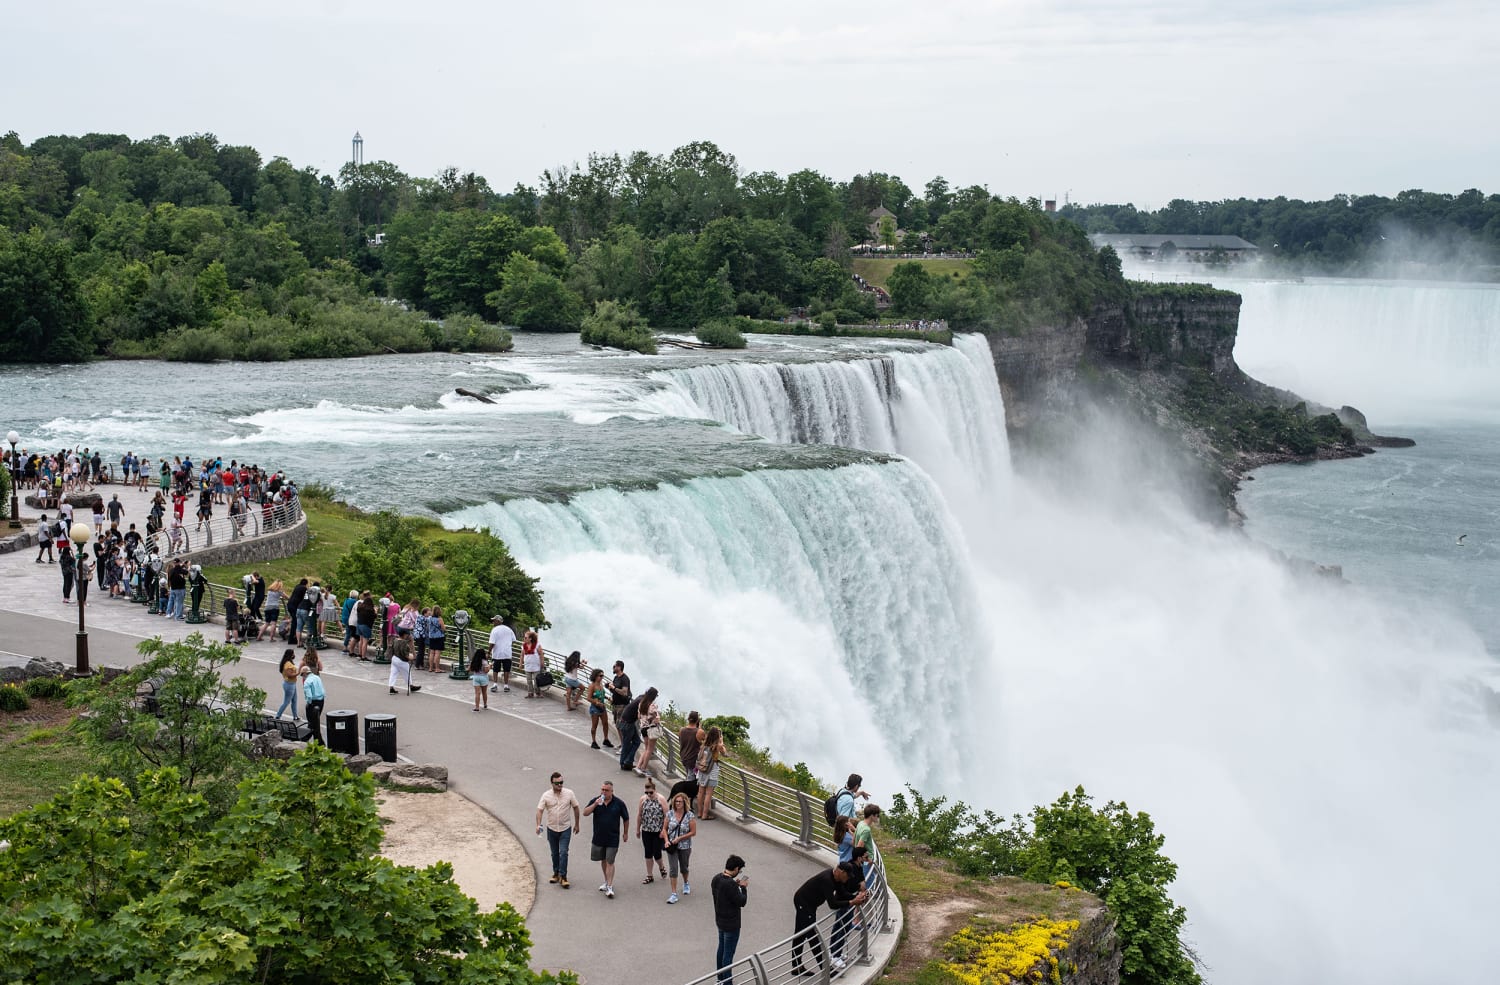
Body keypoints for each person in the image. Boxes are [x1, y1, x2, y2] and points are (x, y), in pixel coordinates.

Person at [791, 862, 867, 976]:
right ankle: (826, 969)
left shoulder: (836, 878)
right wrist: (852, 902)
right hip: (804, 903)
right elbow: (832, 904)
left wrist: (857, 897)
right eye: (847, 875)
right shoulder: (827, 880)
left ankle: (797, 967)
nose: (847, 879)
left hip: (810, 904)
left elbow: (842, 893)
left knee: (801, 934)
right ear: (841, 872)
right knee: (813, 937)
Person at [582, 779, 629, 898]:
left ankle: (610, 886)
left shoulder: (619, 803)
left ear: (612, 791)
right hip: (598, 837)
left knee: (610, 861)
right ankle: (606, 881)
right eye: (602, 789)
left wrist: (625, 833)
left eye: (606, 790)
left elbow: (626, 818)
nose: (604, 792)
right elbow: (585, 813)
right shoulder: (596, 800)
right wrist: (595, 804)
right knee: (603, 860)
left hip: (612, 838)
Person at [535, 771, 581, 889]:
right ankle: (556, 873)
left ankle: (563, 876)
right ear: (552, 783)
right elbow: (540, 810)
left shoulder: (569, 793)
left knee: (564, 852)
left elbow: (576, 807)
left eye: (561, 782)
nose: (560, 785)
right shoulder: (546, 795)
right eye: (557, 783)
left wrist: (577, 824)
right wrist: (538, 824)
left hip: (565, 828)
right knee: (554, 853)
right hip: (552, 828)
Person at [711, 855, 749, 982]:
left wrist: (736, 885)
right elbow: (741, 901)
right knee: (728, 955)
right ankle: (727, 982)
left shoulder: (716, 878)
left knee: (721, 950)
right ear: (736, 868)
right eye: (740, 870)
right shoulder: (730, 885)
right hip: (731, 925)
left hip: (720, 921)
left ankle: (720, 979)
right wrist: (743, 888)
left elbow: (725, 895)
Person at [664, 791, 697, 904]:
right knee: (673, 869)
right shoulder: (670, 814)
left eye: (680, 802)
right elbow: (664, 829)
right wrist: (666, 840)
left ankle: (686, 882)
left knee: (684, 867)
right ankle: (673, 894)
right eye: (676, 801)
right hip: (672, 846)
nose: (677, 803)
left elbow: (693, 832)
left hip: (685, 846)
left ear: (684, 802)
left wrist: (680, 838)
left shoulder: (689, 815)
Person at [617, 686, 658, 773]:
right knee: (627, 744)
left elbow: (640, 716)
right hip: (628, 723)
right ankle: (624, 763)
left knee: (636, 742)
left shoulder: (641, 699)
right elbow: (652, 716)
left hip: (627, 721)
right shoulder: (646, 703)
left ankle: (628, 762)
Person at [636, 778, 669, 885]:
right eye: (646, 792)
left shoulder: (661, 799)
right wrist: (638, 829)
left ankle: (661, 867)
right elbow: (640, 815)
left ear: (655, 790)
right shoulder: (643, 799)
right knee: (648, 852)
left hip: (658, 831)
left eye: (651, 792)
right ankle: (649, 875)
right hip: (646, 830)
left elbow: (666, 816)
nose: (649, 794)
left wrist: (664, 830)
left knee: (657, 852)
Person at [696, 725, 725, 820]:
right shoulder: (717, 746)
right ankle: (705, 815)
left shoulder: (704, 744)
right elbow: (725, 754)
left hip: (702, 770)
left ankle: (699, 813)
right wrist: (721, 741)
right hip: (712, 772)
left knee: (700, 792)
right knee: (708, 794)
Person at [635, 692, 662, 777]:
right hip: (651, 729)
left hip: (643, 728)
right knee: (650, 750)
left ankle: (638, 766)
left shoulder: (641, 704)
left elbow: (639, 717)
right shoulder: (652, 706)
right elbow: (657, 718)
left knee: (646, 748)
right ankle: (643, 768)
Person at [487, 614, 516, 693]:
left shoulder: (494, 630)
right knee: (506, 670)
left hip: (497, 654)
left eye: (494, 621)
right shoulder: (509, 629)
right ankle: (506, 686)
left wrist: (488, 652)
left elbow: (492, 643)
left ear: (498, 621)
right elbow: (513, 640)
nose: (493, 622)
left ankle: (495, 685)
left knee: (495, 670)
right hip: (507, 653)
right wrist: (507, 645)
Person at [388, 628, 421, 695]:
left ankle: (391, 688)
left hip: (394, 658)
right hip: (401, 660)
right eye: (406, 634)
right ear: (404, 635)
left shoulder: (395, 640)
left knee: (393, 673)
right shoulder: (404, 643)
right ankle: (411, 686)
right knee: (407, 673)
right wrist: (412, 658)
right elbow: (406, 655)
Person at [587, 668, 613, 748]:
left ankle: (606, 739)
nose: (602, 677)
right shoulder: (592, 686)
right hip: (595, 708)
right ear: (595, 676)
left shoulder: (601, 685)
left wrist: (607, 697)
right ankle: (593, 741)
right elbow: (588, 698)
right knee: (594, 725)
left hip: (602, 707)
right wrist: (596, 702)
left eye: (602, 676)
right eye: (600, 675)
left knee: (605, 723)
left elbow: (600, 694)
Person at [302, 663, 326, 744]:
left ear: (305, 673)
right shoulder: (317, 677)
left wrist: (309, 703)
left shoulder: (307, 682)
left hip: (313, 702)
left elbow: (309, 696)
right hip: (321, 701)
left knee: (312, 723)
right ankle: (318, 741)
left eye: (302, 675)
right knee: (316, 722)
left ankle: (306, 738)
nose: (302, 677)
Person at [275, 649, 299, 720]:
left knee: (294, 700)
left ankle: (295, 716)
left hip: (292, 684)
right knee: (287, 701)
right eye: (293, 653)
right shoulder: (288, 664)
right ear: (290, 655)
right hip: (290, 685)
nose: (294, 655)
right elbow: (290, 675)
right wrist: (298, 673)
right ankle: (278, 715)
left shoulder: (286, 662)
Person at [679, 711, 702, 778]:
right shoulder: (699, 731)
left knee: (689, 775)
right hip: (693, 760)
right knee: (690, 780)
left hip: (684, 757)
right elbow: (706, 743)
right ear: (697, 720)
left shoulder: (681, 730)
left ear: (688, 719)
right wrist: (700, 728)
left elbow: (680, 741)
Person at [607, 660, 631, 726]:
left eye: (614, 666)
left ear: (619, 667)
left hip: (622, 706)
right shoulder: (616, 677)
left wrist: (614, 688)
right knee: (617, 725)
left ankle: (624, 736)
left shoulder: (625, 678)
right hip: (615, 705)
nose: (613, 667)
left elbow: (624, 693)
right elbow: (615, 691)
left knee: (620, 725)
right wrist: (609, 687)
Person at [521, 628, 543, 697]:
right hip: (527, 666)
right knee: (529, 680)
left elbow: (541, 654)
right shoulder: (523, 645)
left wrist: (542, 662)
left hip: (536, 666)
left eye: (525, 638)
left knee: (536, 680)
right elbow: (522, 655)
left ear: (530, 638)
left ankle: (538, 692)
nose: (524, 639)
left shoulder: (537, 645)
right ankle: (530, 693)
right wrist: (520, 663)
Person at [354, 591, 375, 660]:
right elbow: (374, 616)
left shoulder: (360, 606)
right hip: (366, 626)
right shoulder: (370, 609)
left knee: (361, 640)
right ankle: (363, 657)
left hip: (359, 625)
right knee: (365, 642)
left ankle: (360, 654)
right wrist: (376, 611)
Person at [427, 605, 446, 673]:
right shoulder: (439, 619)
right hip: (439, 637)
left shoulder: (430, 618)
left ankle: (430, 668)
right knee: (437, 652)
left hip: (431, 637)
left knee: (432, 653)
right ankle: (437, 668)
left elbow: (428, 628)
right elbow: (443, 629)